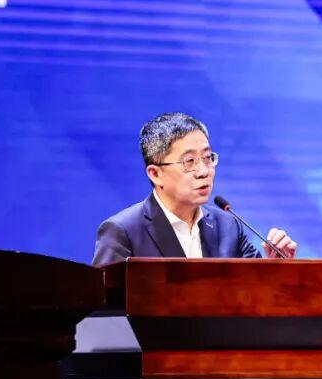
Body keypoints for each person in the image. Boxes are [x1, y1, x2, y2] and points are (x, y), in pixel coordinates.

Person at [92, 112, 298, 266]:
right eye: (189, 161)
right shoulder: (123, 232)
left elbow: (256, 296)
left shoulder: (228, 226)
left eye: (208, 158)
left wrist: (279, 266)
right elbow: (106, 309)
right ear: (155, 174)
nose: (204, 171)